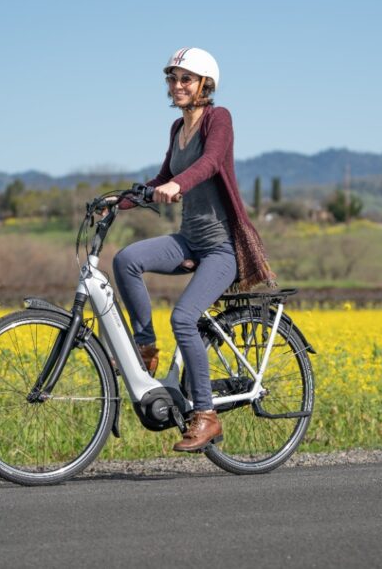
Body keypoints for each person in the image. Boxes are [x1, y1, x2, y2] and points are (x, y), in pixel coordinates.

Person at [112, 47, 275, 452]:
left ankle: (206, 415)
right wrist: (122, 201)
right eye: (172, 78)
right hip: (189, 240)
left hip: (221, 247)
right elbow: (164, 175)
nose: (177, 85)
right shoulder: (176, 128)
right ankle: (145, 348)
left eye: (186, 79)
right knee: (126, 259)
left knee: (184, 318)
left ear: (205, 84)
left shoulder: (218, 119)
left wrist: (178, 186)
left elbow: (211, 163)